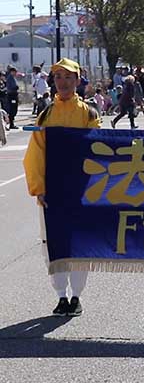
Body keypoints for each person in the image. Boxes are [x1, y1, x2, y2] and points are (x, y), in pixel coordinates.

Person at [23, 58, 101, 317]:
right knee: (53, 243)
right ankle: (60, 295)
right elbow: (35, 153)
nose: (64, 82)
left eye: (69, 77)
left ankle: (77, 296)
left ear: (78, 81)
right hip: (52, 192)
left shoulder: (89, 114)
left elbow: (99, 151)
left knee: (79, 244)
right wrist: (39, 187)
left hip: (82, 189)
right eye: (58, 77)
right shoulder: (46, 114)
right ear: (52, 81)